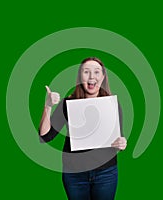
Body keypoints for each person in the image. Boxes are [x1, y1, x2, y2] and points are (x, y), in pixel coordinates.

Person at [39, 57, 127, 200]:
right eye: (86, 72)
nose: (92, 77)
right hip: (74, 175)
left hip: (106, 173)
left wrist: (122, 143)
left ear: (103, 77)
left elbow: (118, 140)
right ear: (80, 77)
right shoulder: (67, 103)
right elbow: (45, 136)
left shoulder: (113, 104)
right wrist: (48, 105)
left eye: (97, 72)